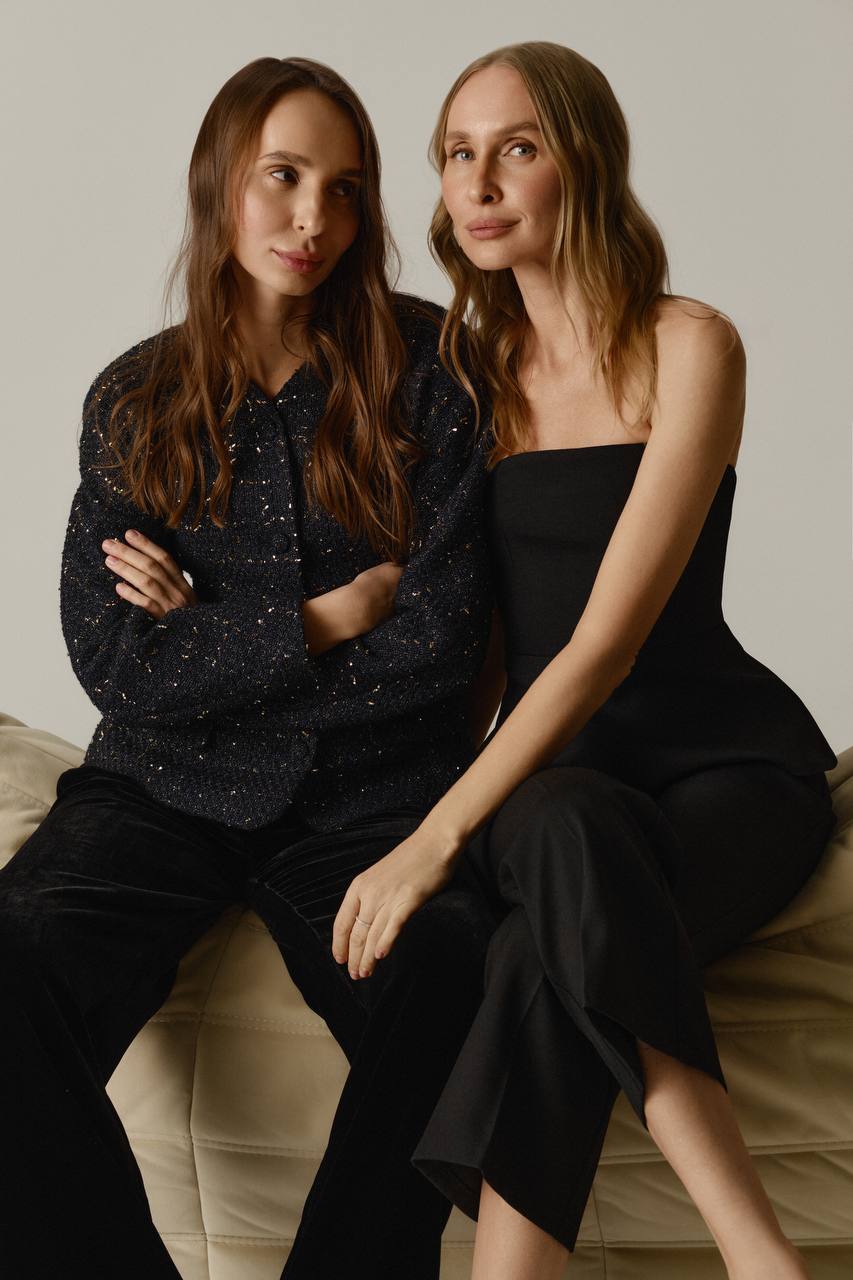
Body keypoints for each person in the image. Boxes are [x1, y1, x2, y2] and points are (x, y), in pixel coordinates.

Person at [326, 42, 838, 1280]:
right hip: (556, 777)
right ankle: (761, 1255)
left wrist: (435, 839)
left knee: (538, 949)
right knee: (561, 830)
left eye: (517, 147)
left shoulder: (689, 345)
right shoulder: (466, 380)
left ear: (586, 160)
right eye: (457, 154)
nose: (478, 181)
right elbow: (478, 635)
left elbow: (605, 642)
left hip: (727, 763)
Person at [0, 56, 500, 1280]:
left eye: (344, 187)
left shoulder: (434, 371)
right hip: (159, 787)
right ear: (222, 180)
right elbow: (119, 664)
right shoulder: (136, 396)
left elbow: (438, 644)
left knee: (454, 976)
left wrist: (210, 631)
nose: (312, 218)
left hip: (372, 798)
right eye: (282, 176)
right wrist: (323, 616)